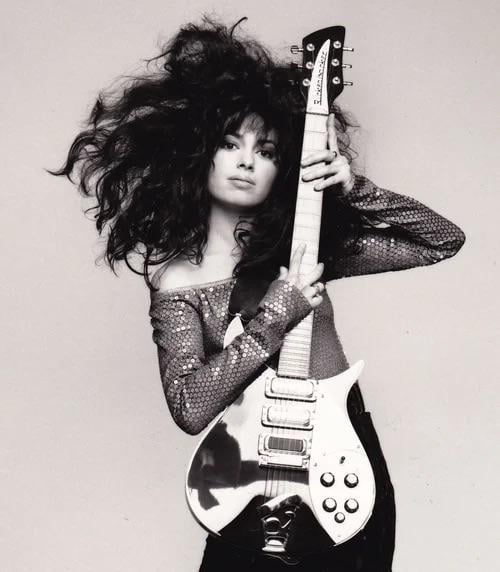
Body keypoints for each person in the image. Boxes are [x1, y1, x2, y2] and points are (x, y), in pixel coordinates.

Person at [51, 17, 465, 572]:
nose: (246, 160)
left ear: (283, 167)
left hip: (339, 467)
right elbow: (190, 406)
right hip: (248, 479)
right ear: (199, 154)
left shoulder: (302, 251)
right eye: (230, 144)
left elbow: (441, 241)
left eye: (266, 150)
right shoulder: (177, 281)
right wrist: (277, 313)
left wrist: (354, 187)